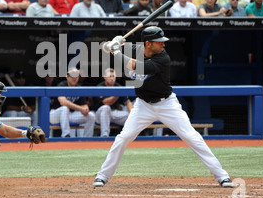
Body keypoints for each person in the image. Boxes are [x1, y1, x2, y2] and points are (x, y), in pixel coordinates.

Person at [93, 26, 234, 188]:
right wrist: (113, 43)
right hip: (143, 105)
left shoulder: (163, 58)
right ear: (147, 44)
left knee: (192, 137)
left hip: (167, 104)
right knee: (123, 138)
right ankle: (102, 176)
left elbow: (137, 66)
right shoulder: (136, 49)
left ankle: (222, 175)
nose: (163, 44)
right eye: (159, 42)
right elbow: (106, 47)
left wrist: (116, 52)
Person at [49, 67, 96, 138]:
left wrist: (86, 109)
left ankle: (87, 138)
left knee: (91, 116)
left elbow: (84, 104)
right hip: (55, 114)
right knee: (65, 109)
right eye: (72, 76)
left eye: (76, 76)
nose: (75, 78)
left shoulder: (79, 88)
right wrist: (80, 108)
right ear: (67, 77)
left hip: (71, 115)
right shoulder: (61, 85)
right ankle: (66, 135)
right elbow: (63, 102)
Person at [93, 68, 133, 138]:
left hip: (113, 113)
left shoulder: (118, 86)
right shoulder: (100, 87)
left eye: (113, 76)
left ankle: (129, 137)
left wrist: (132, 113)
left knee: (130, 116)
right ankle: (104, 135)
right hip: (99, 115)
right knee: (106, 108)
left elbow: (127, 102)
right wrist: (116, 94)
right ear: (105, 77)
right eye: (110, 76)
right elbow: (106, 102)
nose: (112, 78)